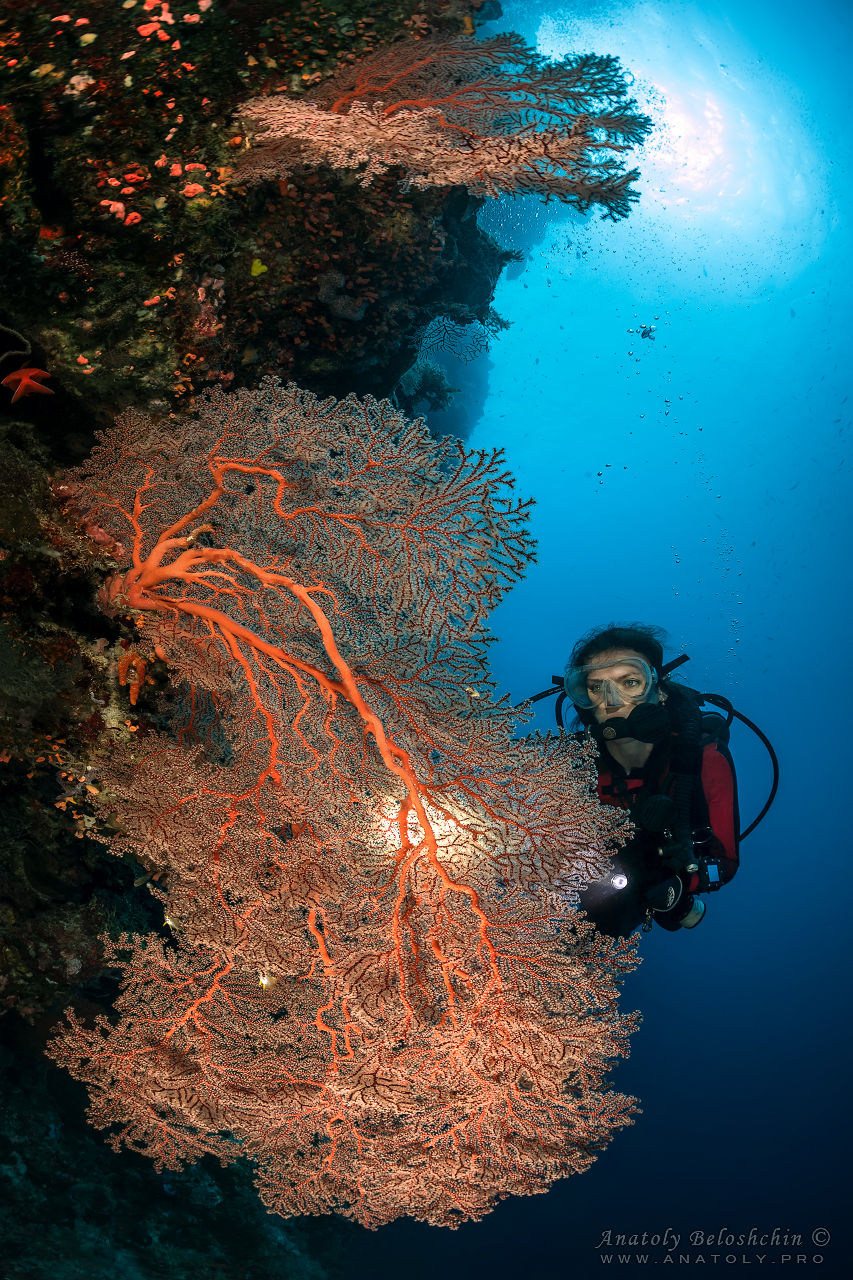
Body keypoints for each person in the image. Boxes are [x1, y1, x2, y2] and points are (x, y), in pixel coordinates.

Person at [564, 623, 739, 936]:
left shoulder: (705, 759)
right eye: (595, 687)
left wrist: (682, 882)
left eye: (629, 682)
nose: (612, 701)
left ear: (659, 689)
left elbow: (724, 861)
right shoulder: (571, 765)